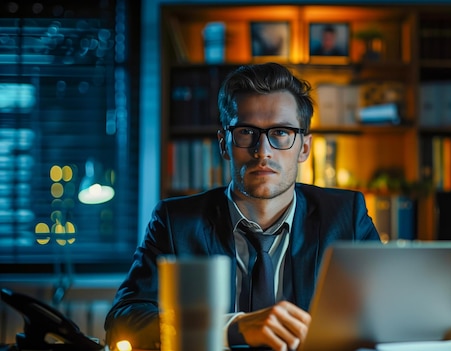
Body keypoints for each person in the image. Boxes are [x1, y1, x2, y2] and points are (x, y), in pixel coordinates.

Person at [104, 62, 380, 351]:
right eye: (247, 132)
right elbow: (124, 321)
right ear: (224, 144)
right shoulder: (175, 222)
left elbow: (387, 314)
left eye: (281, 132)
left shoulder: (346, 215)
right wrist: (230, 328)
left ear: (305, 148)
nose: (263, 151)